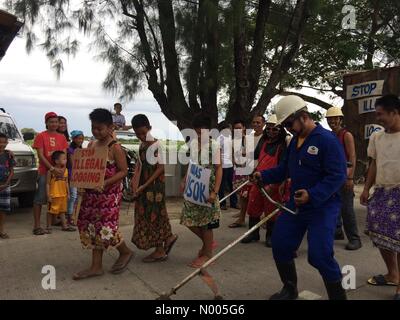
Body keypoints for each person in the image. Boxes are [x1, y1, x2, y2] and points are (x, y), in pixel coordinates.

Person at [252, 95, 347, 300]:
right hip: (296, 204)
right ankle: (289, 289)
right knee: (280, 244)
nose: (287, 128)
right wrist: (264, 175)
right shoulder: (295, 140)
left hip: (323, 206)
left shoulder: (326, 140)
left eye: (288, 123)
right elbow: (285, 169)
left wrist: (313, 194)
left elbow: (338, 176)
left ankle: (338, 297)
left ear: (303, 116)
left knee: (320, 256)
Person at [73, 108, 134, 280]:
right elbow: (86, 167)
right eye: (93, 128)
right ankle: (98, 265)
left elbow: (123, 171)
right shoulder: (91, 145)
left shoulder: (115, 147)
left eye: (100, 128)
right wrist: (81, 183)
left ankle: (122, 253)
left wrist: (105, 183)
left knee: (105, 228)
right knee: (92, 227)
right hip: (91, 195)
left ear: (110, 127)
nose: (96, 131)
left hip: (108, 196)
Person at [360, 95, 400, 300]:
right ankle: (393, 274)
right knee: (380, 235)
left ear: (394, 112)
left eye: (381, 114)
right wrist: (366, 189)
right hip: (382, 192)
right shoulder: (377, 137)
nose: (378, 119)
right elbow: (374, 164)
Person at [130, 114, 178, 262]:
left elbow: (160, 168)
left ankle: (159, 250)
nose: (141, 136)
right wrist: (136, 183)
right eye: (138, 134)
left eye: (144, 133)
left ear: (149, 128)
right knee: (150, 215)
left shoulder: (156, 145)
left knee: (154, 216)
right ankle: (167, 238)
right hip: (144, 187)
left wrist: (145, 184)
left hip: (154, 187)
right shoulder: (142, 145)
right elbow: (140, 165)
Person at [180, 114, 222, 268]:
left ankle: (207, 254)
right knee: (188, 220)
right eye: (197, 132)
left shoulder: (215, 145)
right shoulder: (192, 145)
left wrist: (215, 192)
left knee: (206, 223)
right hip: (193, 188)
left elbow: (219, 169)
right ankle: (208, 244)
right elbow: (191, 164)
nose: (199, 135)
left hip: (208, 189)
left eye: (202, 132)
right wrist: (184, 179)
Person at [241, 114, 289, 246]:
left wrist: (273, 185)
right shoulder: (264, 142)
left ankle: (270, 236)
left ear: (280, 131)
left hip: (273, 183)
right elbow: (258, 158)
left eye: (275, 129)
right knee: (253, 205)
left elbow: (282, 168)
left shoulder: (283, 146)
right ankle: (253, 233)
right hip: (258, 179)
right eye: (268, 129)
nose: (271, 132)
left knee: (270, 210)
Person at [326, 106, 362, 250]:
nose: (332, 121)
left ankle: (354, 238)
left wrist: (350, 178)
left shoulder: (346, 135)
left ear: (340, 119)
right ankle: (338, 231)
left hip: (344, 177)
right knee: (333, 207)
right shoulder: (329, 135)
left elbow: (352, 156)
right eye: (330, 119)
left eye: (335, 118)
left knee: (346, 209)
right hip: (332, 177)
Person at [32, 112, 68, 236]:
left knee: (57, 197)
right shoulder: (41, 136)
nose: (54, 124)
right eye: (51, 121)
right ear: (46, 123)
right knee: (40, 198)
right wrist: (52, 168)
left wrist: (63, 168)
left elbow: (64, 154)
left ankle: (54, 221)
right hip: (45, 172)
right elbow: (40, 155)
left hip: (59, 173)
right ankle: (37, 226)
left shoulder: (62, 137)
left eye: (56, 122)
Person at [46, 151, 75, 233]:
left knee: (62, 211)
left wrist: (68, 193)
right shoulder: (50, 172)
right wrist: (48, 195)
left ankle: (64, 226)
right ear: (56, 161)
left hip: (63, 195)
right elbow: (47, 184)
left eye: (66, 159)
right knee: (50, 211)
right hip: (54, 195)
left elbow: (66, 182)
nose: (66, 160)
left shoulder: (65, 170)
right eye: (64, 159)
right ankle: (48, 227)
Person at [229, 119, 251, 228]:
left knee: (246, 193)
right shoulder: (233, 141)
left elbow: (251, 154)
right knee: (240, 193)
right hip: (237, 169)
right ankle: (242, 212)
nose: (237, 130)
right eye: (235, 128)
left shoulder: (249, 139)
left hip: (247, 170)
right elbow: (233, 155)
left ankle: (242, 217)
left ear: (244, 128)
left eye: (239, 128)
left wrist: (242, 153)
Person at [217, 121, 237, 210]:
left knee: (232, 185)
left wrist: (233, 162)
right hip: (223, 166)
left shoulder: (229, 137)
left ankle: (234, 203)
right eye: (229, 128)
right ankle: (222, 203)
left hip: (230, 165)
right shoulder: (220, 138)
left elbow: (231, 151)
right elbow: (218, 151)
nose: (230, 130)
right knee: (221, 186)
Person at [66, 130, 84, 226]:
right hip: (72, 174)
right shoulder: (71, 150)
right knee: (73, 195)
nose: (80, 140)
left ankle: (74, 215)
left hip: (79, 174)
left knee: (77, 196)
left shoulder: (81, 149)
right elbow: (73, 164)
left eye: (81, 138)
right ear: (73, 139)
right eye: (78, 138)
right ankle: (69, 215)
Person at [0, 133, 16, 239]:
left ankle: (1, 230)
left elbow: (11, 171)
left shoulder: (9, 155)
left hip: (5, 186)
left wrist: (6, 184)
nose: (2, 144)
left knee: (3, 210)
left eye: (4, 142)